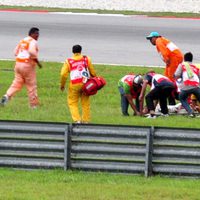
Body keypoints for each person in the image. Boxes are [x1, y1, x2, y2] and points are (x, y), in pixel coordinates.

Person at [0, 27, 42, 108]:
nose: (38, 35)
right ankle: (33, 105)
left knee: (16, 84)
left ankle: (7, 96)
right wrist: (38, 62)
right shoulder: (33, 42)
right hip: (27, 66)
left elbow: (15, 52)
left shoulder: (23, 40)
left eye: (38, 34)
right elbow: (32, 52)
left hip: (18, 64)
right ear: (31, 34)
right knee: (31, 85)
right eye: (36, 33)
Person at [60, 44, 97, 123]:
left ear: (72, 51)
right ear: (81, 51)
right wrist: (95, 79)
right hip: (86, 84)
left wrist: (62, 85)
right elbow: (92, 71)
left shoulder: (68, 61)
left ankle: (77, 120)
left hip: (74, 84)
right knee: (85, 103)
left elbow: (63, 74)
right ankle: (86, 120)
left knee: (72, 103)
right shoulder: (86, 59)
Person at [146, 32, 183, 105]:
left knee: (171, 80)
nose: (150, 41)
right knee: (166, 77)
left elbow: (164, 51)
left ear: (155, 37)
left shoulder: (158, 40)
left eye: (151, 39)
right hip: (174, 58)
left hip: (173, 59)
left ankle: (173, 100)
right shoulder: (162, 40)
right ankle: (172, 98)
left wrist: (167, 60)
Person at [174, 52, 200, 117]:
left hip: (186, 87)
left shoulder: (182, 65)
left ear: (184, 59)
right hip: (196, 86)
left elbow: (177, 75)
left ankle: (190, 112)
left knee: (182, 98)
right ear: (192, 59)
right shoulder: (195, 66)